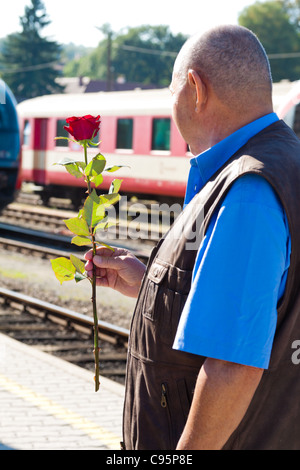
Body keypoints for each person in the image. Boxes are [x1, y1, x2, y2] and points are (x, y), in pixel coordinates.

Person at [85, 25, 300, 450]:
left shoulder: (249, 192)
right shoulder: (281, 164)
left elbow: (231, 366)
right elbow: (259, 305)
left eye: (172, 89)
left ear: (195, 89)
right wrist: (150, 282)